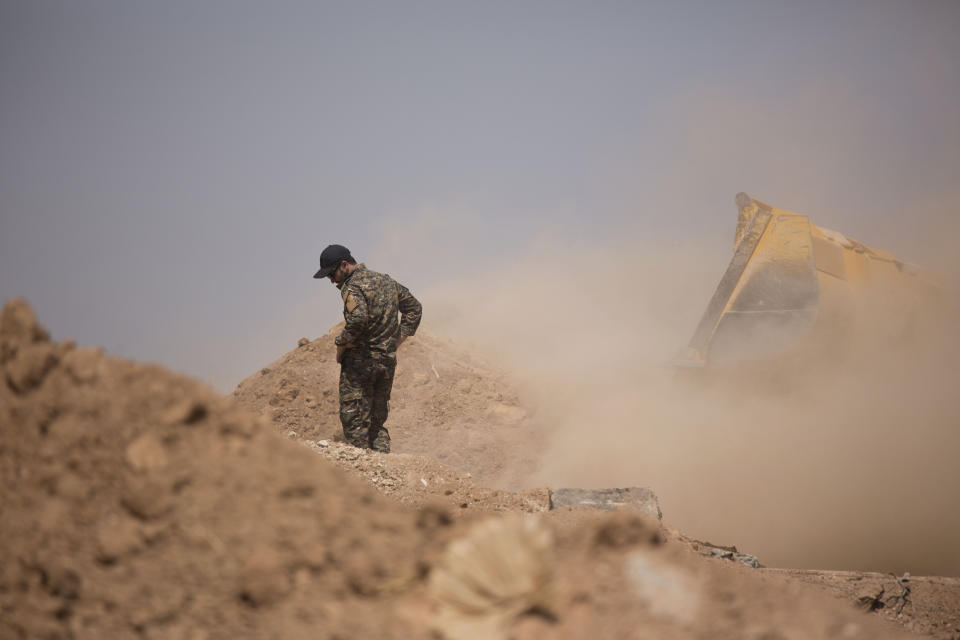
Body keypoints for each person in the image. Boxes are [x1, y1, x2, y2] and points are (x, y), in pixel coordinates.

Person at [313, 244, 422, 453]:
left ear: (344, 265)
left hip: (360, 364)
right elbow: (414, 308)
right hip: (386, 362)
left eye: (331, 274)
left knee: (355, 423)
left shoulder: (351, 287)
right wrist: (397, 340)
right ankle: (382, 473)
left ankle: (362, 475)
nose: (331, 280)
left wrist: (342, 344)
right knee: (376, 423)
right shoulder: (386, 281)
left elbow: (358, 317)